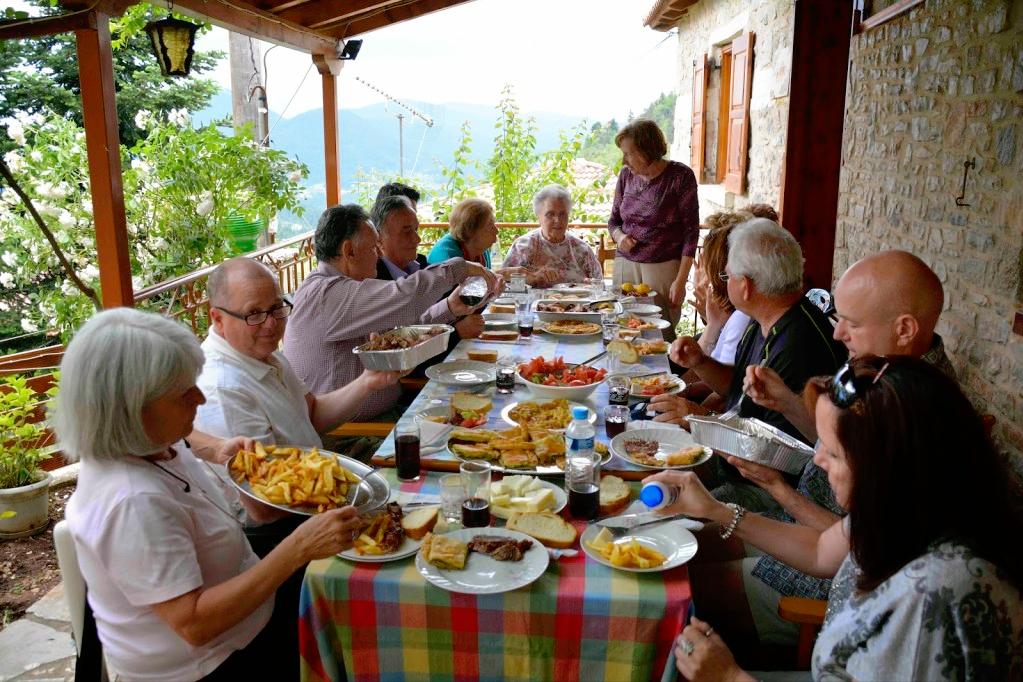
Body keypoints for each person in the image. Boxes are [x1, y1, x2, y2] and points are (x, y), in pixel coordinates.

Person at [648, 356, 1023, 681]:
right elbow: (819, 551)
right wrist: (714, 509)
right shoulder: (904, 508)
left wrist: (729, 676)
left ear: (889, 467)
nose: (817, 460)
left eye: (834, 453)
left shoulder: (938, 592)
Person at [58, 308, 364, 681]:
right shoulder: (131, 502)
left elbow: (186, 440)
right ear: (131, 411)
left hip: (248, 622)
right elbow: (195, 624)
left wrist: (215, 448)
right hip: (213, 664)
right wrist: (298, 548)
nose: (200, 400)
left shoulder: (147, 441)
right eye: (183, 393)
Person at [681, 249, 960, 656]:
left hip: (839, 579)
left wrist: (777, 487)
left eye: (852, 322)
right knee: (687, 542)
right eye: (838, 317)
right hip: (810, 528)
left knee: (687, 585)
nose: (837, 334)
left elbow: (858, 549)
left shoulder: (919, 417)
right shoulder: (883, 371)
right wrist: (788, 403)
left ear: (904, 328)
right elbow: (845, 446)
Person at [283, 204, 497, 421]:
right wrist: (456, 269)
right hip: (354, 432)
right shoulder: (326, 294)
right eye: (373, 247)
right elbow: (404, 297)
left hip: (390, 412)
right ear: (349, 251)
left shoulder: (341, 290)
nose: (378, 254)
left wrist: (449, 307)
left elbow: (402, 329)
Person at [652, 218, 846, 447]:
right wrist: (700, 362)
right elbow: (736, 385)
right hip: (742, 451)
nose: (724, 283)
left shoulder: (796, 345)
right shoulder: (764, 318)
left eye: (727, 277)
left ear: (745, 286)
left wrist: (695, 417)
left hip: (761, 475)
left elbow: (767, 448)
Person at [608, 118, 699, 337]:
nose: (624, 161)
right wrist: (620, 237)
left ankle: (661, 372)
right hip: (625, 264)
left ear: (646, 151)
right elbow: (613, 222)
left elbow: (691, 232)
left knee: (659, 333)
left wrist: (681, 280)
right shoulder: (626, 176)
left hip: (663, 266)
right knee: (622, 328)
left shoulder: (680, 176)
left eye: (628, 153)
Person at [502, 184, 603, 287]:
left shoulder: (582, 250)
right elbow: (505, 286)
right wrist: (531, 278)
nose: (558, 220)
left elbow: (599, 285)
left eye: (563, 214)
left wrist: (590, 286)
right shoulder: (522, 247)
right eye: (550, 214)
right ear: (538, 217)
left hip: (576, 302)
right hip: (532, 303)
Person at [427, 197, 498, 268]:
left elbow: (484, 276)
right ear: (471, 230)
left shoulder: (481, 250)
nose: (496, 231)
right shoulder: (446, 257)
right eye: (490, 227)